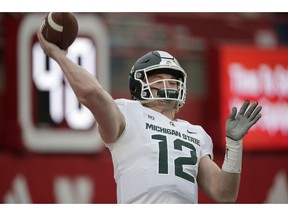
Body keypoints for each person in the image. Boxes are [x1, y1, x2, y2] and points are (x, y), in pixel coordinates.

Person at [37, 30, 262, 204]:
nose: (168, 84)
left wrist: (234, 144)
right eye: (158, 78)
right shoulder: (128, 112)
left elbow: (224, 193)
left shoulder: (197, 133)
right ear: (140, 85)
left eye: (173, 79)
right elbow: (92, 94)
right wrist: (58, 55)